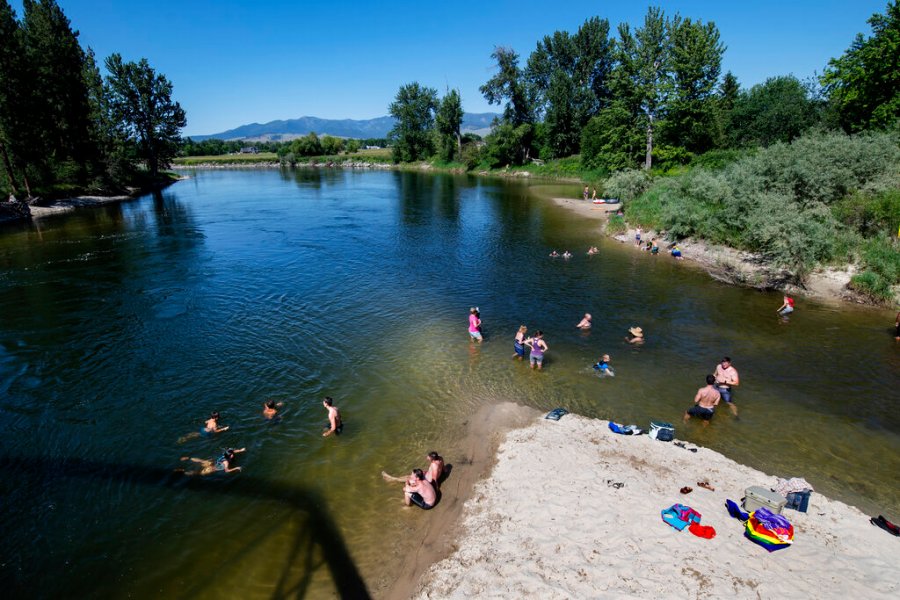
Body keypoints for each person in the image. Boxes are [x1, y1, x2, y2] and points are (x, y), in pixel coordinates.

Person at [178, 447, 246, 476]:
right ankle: (183, 471)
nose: (232, 455)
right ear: (229, 456)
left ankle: (189, 458)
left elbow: (232, 451)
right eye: (231, 455)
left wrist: (240, 450)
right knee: (198, 473)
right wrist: (236, 468)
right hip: (212, 468)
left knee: (202, 461)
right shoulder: (226, 462)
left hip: (214, 463)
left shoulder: (225, 453)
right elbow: (227, 471)